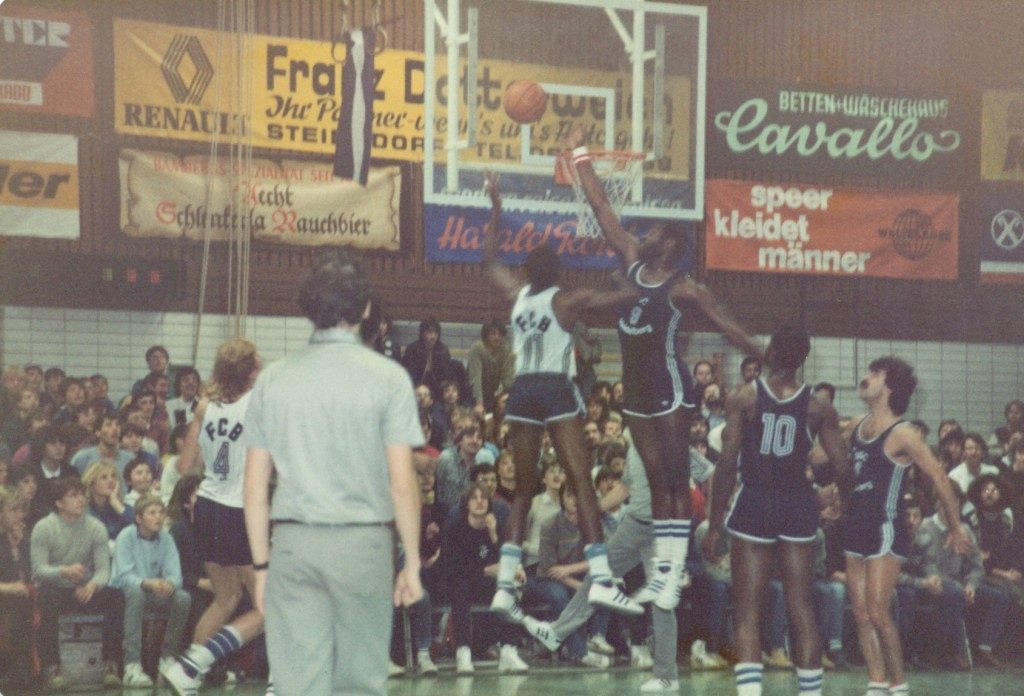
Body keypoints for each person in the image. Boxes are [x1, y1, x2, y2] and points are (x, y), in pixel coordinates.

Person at [567, 126, 761, 613]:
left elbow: (730, 326)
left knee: (676, 482)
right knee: (656, 484)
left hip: (670, 390)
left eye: (654, 231)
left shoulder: (685, 288)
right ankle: (664, 576)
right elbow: (600, 206)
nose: (644, 234)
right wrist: (579, 152)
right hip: (633, 392)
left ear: (671, 245)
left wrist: (769, 356)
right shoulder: (631, 260)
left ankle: (671, 574)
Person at [242, 250, 424, 696]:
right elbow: (403, 484)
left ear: (307, 309)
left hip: (293, 545)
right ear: (365, 309)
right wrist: (413, 563)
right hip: (363, 546)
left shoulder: (273, 379)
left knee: (296, 684)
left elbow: (253, 487)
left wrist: (262, 567)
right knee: (359, 685)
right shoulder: (389, 378)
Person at [481, 173, 642, 621]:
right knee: (583, 484)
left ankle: (503, 588)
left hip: (521, 390)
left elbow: (489, 256)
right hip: (554, 386)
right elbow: (622, 297)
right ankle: (603, 580)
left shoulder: (515, 295)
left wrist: (496, 205)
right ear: (558, 272)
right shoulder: (567, 301)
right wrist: (649, 284)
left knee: (523, 492)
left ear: (527, 272)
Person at [702, 326, 848, 696]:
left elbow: (728, 463)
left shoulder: (745, 398)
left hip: (756, 501)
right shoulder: (819, 407)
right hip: (798, 503)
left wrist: (715, 525)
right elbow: (844, 468)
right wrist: (840, 502)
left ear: (769, 352)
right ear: (802, 359)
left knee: (748, 609)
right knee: (801, 607)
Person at [842, 357, 971, 696]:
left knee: (878, 611)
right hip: (854, 524)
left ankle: (899, 687)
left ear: (891, 386)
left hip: (886, 526)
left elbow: (939, 477)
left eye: (874, 372)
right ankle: (876, 683)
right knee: (859, 612)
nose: (865, 377)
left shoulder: (904, 433)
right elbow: (818, 450)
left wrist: (956, 526)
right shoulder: (857, 425)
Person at [160, 338, 265, 695]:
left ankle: (188, 671)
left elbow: (185, 464)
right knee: (269, 607)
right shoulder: (255, 403)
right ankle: (196, 664)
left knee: (226, 599)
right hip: (236, 511)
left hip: (204, 507)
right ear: (250, 371)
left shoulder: (204, 406)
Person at [31, 478, 124, 690]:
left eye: (82, 494)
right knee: (47, 596)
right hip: (55, 590)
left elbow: (103, 570)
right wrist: (63, 570)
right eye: (73, 495)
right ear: (59, 503)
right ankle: (52, 668)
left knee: (116, 596)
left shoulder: (95, 527)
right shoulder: (44, 527)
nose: (80, 499)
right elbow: (38, 570)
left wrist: (92, 586)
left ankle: (111, 665)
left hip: (84, 589)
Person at [111, 494, 192, 687]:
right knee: (136, 592)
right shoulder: (126, 536)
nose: (158, 517)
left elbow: (175, 575)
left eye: (161, 512)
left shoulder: (166, 538)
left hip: (155, 591)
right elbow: (123, 575)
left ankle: (167, 659)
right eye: (152, 512)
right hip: (124, 593)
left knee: (182, 597)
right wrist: (147, 583)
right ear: (139, 518)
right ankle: (132, 665)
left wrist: (168, 584)